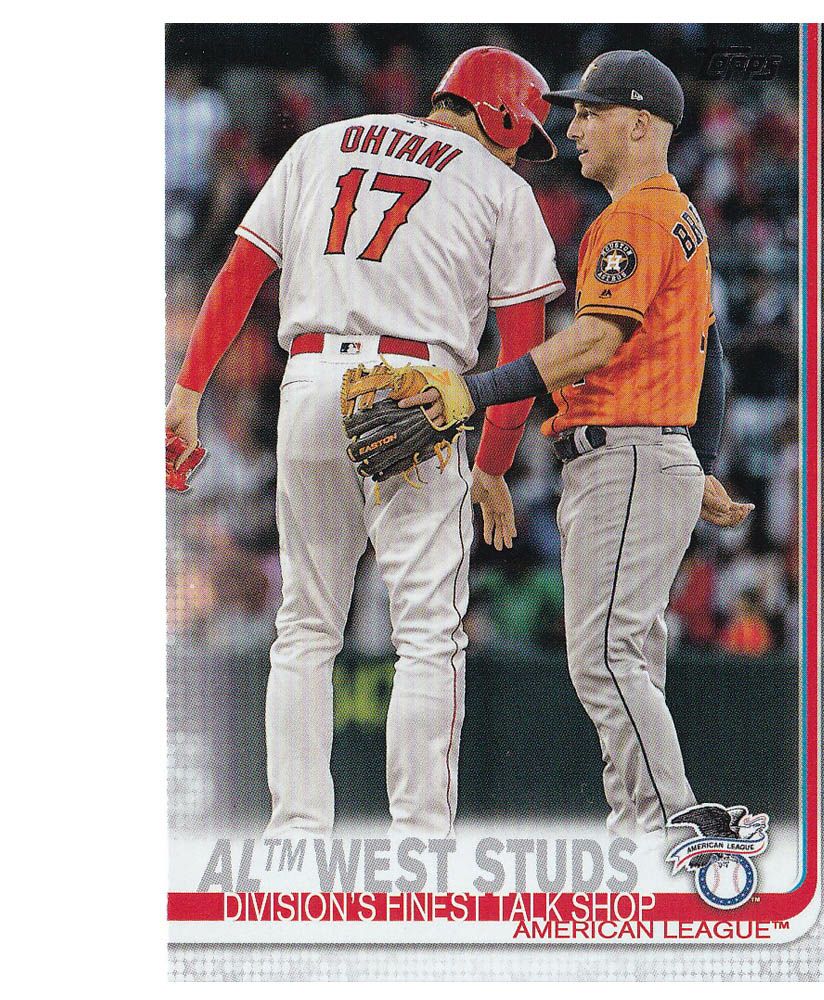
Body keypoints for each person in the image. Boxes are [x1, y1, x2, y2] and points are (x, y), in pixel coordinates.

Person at [165, 46, 565, 838]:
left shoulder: (323, 143)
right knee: (428, 634)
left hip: (310, 378)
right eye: (523, 134)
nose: (522, 152)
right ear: (498, 113)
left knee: (305, 625)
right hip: (417, 388)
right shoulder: (500, 188)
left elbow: (240, 274)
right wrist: (492, 464)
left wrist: (186, 393)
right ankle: (418, 841)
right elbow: (524, 349)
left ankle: (296, 834)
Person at [403, 50, 753, 845]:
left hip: (625, 455)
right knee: (628, 657)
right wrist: (698, 458)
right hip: (650, 453)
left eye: (592, 112)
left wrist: (472, 392)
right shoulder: (678, 214)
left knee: (603, 656)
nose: (574, 127)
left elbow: (596, 341)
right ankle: (642, 827)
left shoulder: (634, 218)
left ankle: (672, 821)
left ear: (642, 125)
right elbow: (713, 355)